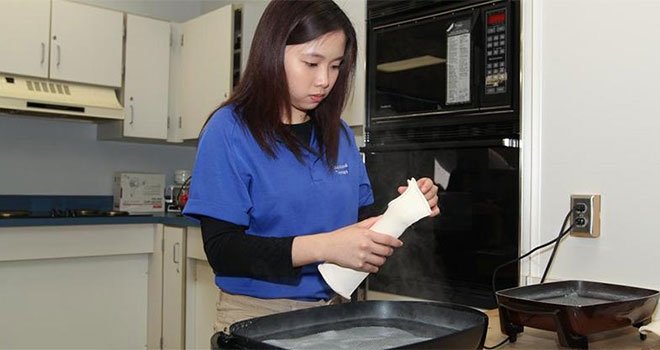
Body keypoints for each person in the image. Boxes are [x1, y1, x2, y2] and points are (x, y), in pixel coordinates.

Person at [182, 0, 440, 333]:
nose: (325, 81)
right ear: (273, 52)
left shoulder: (339, 133)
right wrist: (324, 246)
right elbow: (223, 250)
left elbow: (360, 221)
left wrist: (405, 208)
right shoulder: (229, 130)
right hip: (258, 316)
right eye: (312, 62)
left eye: (335, 66)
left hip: (336, 311)